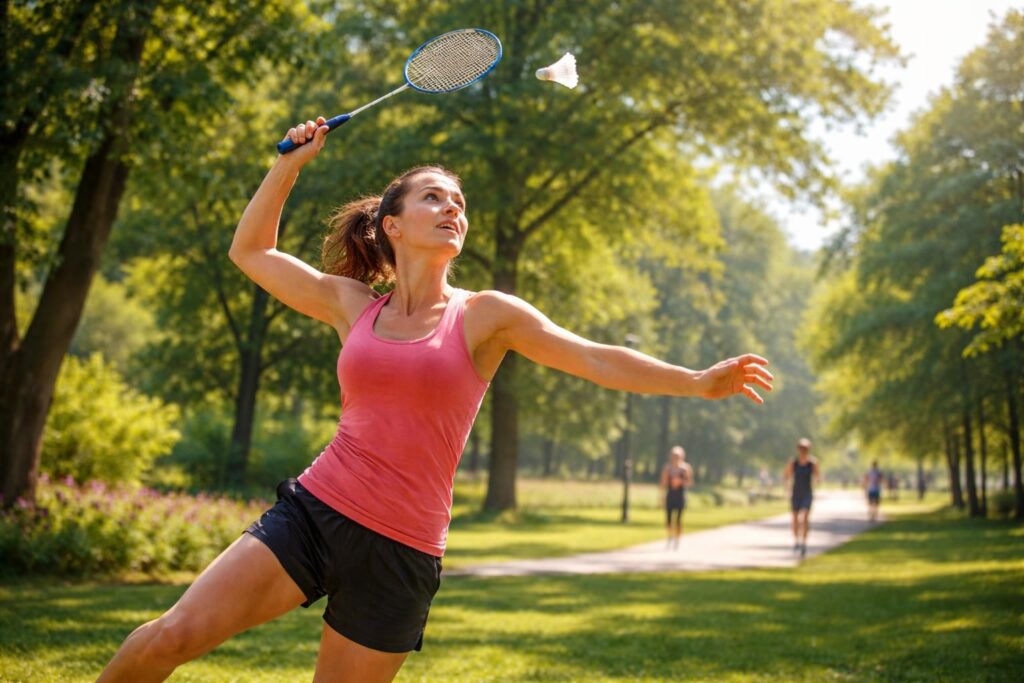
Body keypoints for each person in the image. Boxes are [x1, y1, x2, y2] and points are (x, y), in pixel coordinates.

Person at [96, 117, 774, 683]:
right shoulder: (351, 303)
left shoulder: (485, 316)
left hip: (403, 548)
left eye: (460, 203)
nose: (455, 208)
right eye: (434, 197)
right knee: (171, 636)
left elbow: (593, 355)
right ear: (391, 224)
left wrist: (694, 379)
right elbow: (251, 250)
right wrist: (290, 165)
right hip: (316, 512)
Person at [783, 437, 820, 557]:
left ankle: (804, 542)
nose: (803, 450)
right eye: (801, 448)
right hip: (796, 493)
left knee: (804, 517)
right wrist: (787, 490)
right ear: (798, 449)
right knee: (795, 519)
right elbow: (786, 476)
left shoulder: (812, 463)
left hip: (807, 493)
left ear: (808, 449)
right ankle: (796, 541)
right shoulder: (793, 463)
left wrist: (816, 483)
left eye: (805, 448)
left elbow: (817, 477)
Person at [660, 446, 693, 549]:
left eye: (677, 456)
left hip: (680, 496)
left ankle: (677, 539)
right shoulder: (667, 468)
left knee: (678, 519)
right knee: (669, 519)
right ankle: (670, 537)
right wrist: (661, 496)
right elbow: (663, 483)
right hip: (670, 495)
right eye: (674, 456)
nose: (675, 458)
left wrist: (680, 482)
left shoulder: (686, 468)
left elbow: (689, 482)